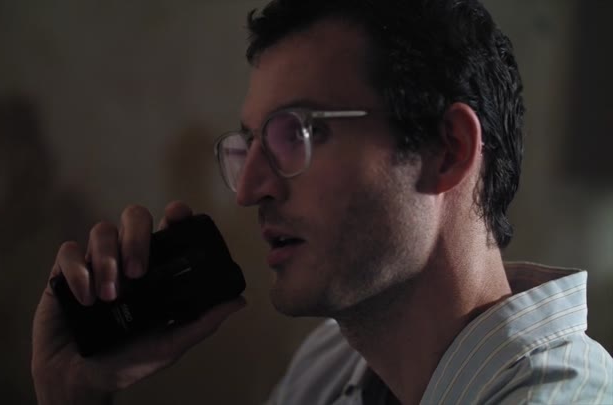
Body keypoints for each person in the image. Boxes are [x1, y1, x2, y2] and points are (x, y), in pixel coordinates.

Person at [31, 0, 613, 403]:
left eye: (296, 134)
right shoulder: (331, 366)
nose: (249, 190)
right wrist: (74, 397)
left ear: (448, 151)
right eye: (250, 145)